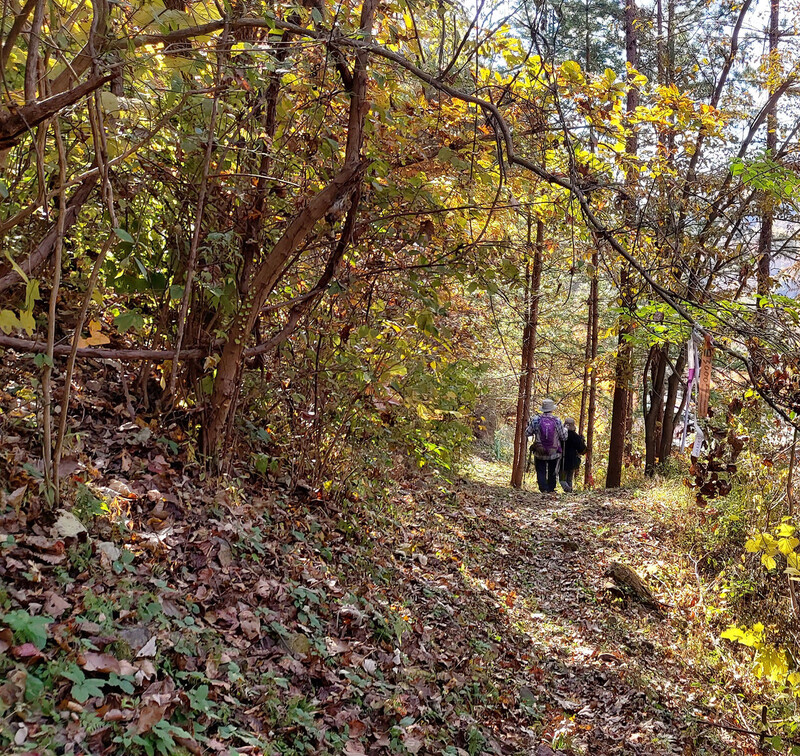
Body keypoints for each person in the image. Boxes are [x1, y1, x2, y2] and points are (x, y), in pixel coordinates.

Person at [526, 399, 568, 493]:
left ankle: (543, 489)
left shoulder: (536, 419)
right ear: (552, 409)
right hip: (553, 451)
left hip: (539, 451)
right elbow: (564, 437)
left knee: (541, 470)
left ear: (543, 409)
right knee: (552, 470)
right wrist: (565, 429)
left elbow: (527, 433)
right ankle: (551, 489)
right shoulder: (557, 421)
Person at [559, 417, 587, 492]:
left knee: (562, 479)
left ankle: (568, 490)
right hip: (573, 461)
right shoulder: (576, 437)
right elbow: (583, 449)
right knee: (569, 479)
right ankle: (569, 492)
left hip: (562, 461)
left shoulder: (560, 436)